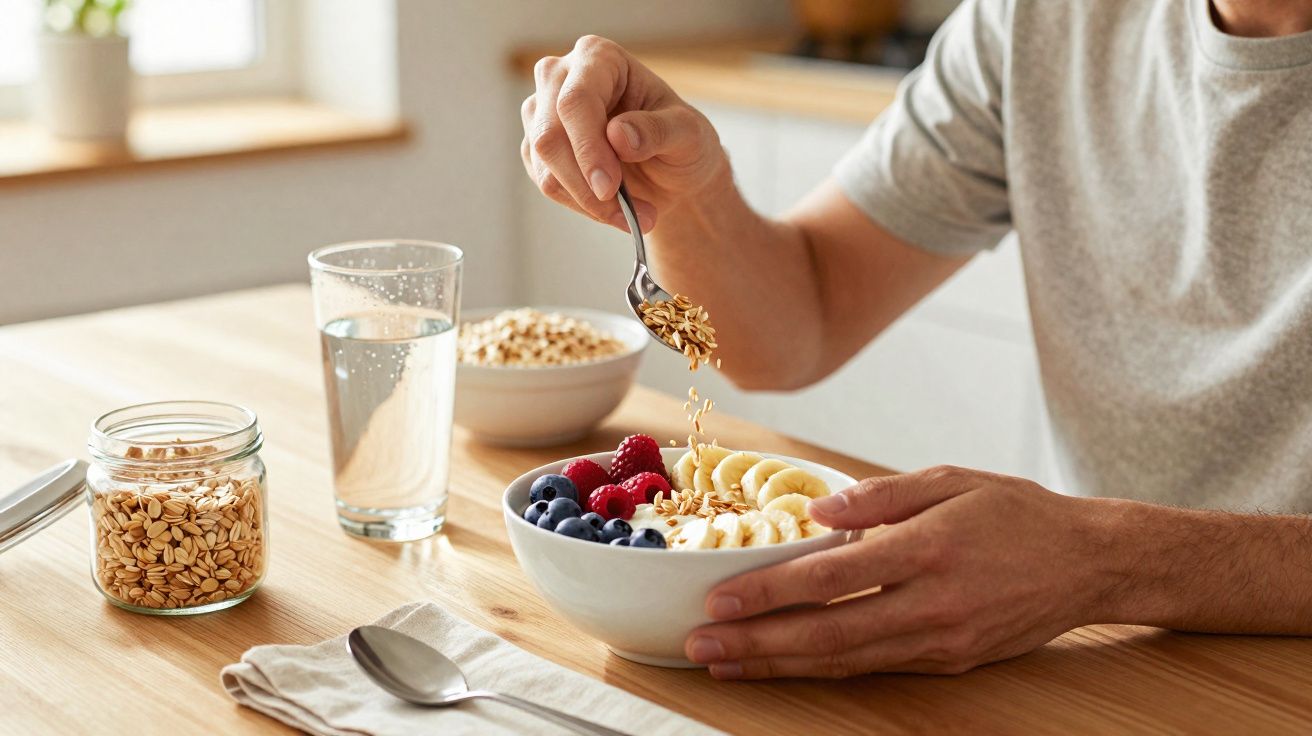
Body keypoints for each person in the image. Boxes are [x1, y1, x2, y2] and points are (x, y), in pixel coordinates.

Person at [519, 0, 1312, 679]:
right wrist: (688, 192)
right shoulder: (1037, 21)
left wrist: (1108, 559)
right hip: (1111, 663)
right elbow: (802, 318)